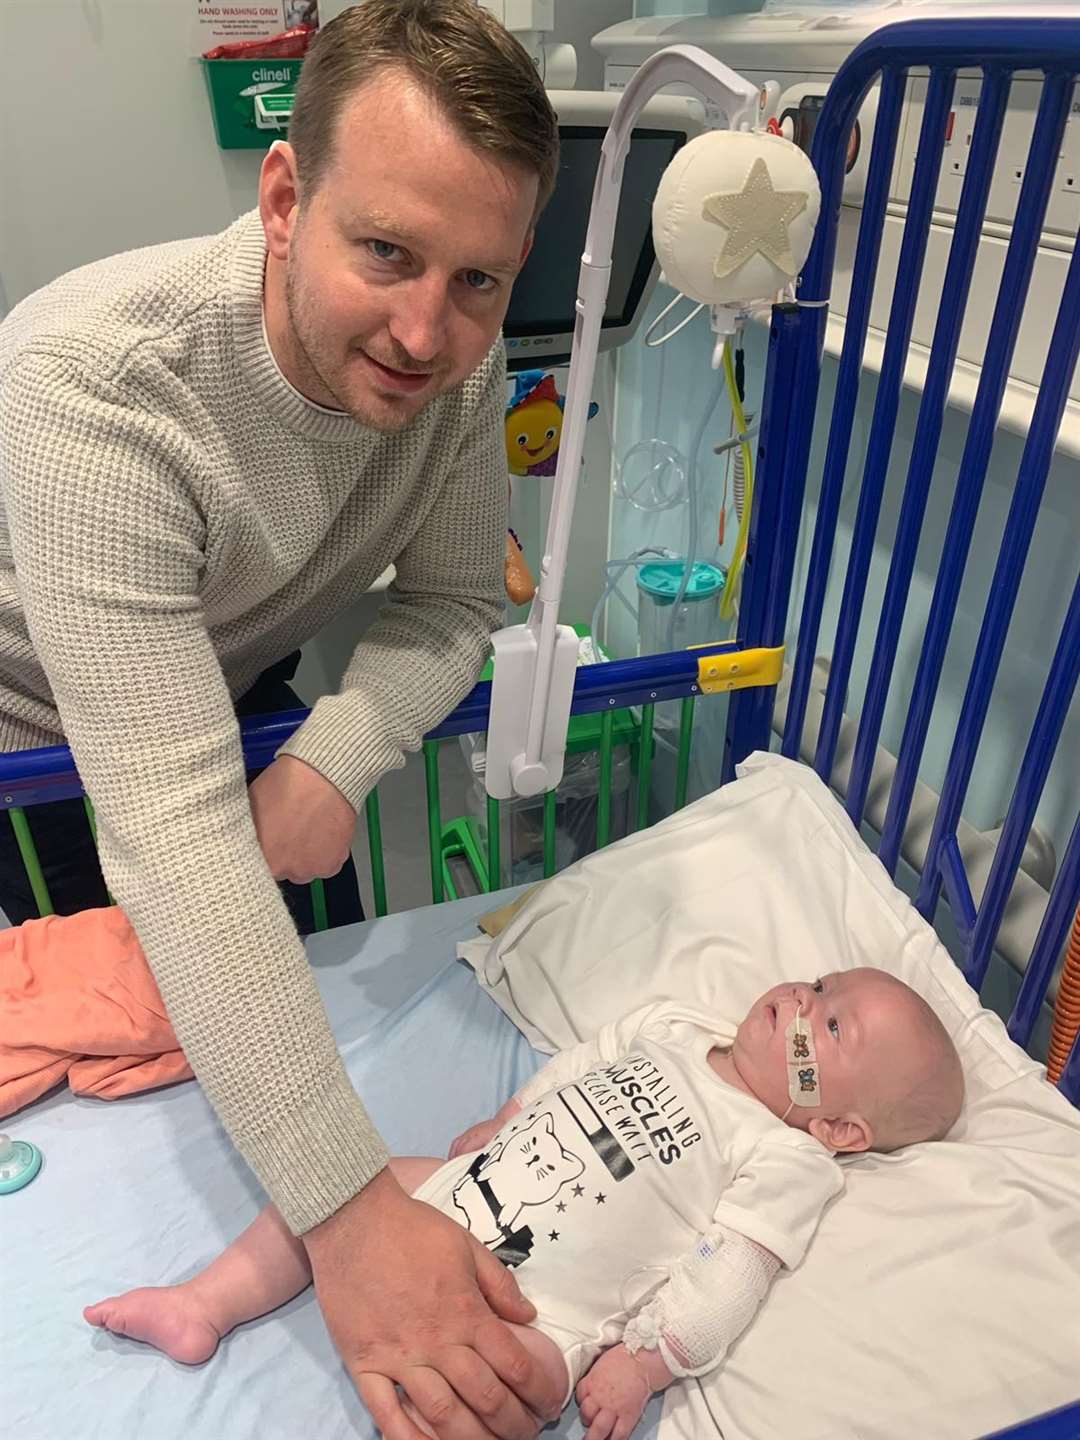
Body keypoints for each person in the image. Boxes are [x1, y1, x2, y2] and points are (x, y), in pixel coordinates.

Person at [0, 3, 563, 1435]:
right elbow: (176, 834)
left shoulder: (459, 365)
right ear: (283, 197)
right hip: (23, 734)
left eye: (479, 280)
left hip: (226, 682)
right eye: (384, 252)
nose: (429, 330)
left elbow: (451, 611)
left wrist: (339, 752)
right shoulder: (90, 380)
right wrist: (353, 1217)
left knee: (240, 1017)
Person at [85, 969, 965, 1440]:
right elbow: (585, 1061)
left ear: (842, 1129)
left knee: (512, 1392)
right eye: (820, 982)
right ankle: (202, 1306)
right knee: (348, 1186)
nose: (805, 1003)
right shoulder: (675, 1026)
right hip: (460, 1197)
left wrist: (651, 1362)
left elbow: (730, 1271)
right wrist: (512, 1114)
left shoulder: (787, 1153)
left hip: (544, 1308)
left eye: (834, 1026)